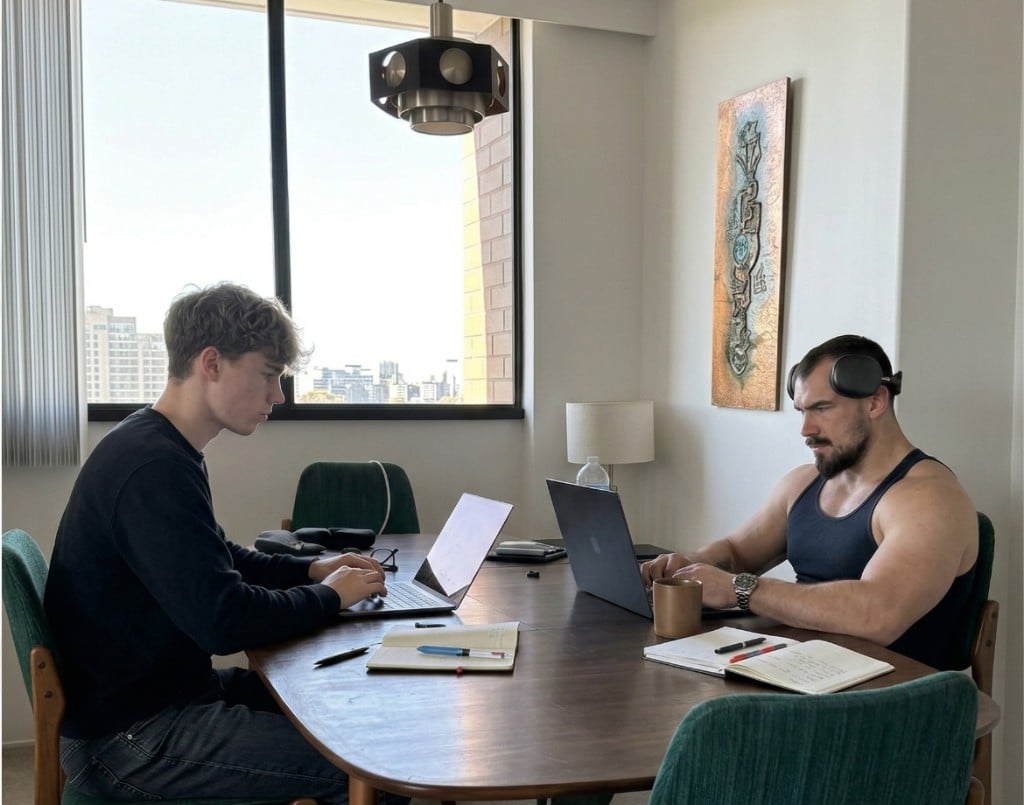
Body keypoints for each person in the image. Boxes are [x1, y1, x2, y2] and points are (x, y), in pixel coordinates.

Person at [44, 283, 403, 804]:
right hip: (132, 739)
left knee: (357, 710)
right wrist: (330, 598)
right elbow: (223, 621)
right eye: (268, 374)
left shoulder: (158, 445)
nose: (277, 395)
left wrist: (311, 571)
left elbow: (215, 556)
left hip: (161, 701)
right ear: (212, 363)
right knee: (378, 769)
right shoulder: (154, 466)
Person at [641, 334, 979, 670]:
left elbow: (878, 615)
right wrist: (687, 569)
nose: (806, 428)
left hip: (892, 700)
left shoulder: (930, 499)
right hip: (803, 673)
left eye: (822, 408)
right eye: (802, 410)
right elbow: (737, 552)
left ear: (876, 402)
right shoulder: (803, 482)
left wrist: (739, 589)